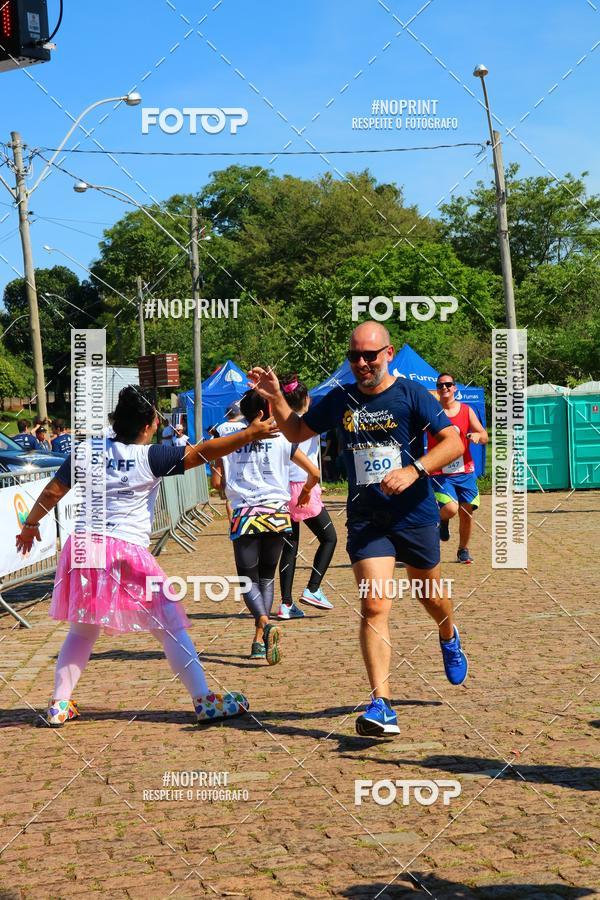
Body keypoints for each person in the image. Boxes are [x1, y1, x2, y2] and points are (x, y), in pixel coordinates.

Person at [249, 321, 469, 738]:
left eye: (370, 355)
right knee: (374, 607)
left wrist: (414, 469)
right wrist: (277, 398)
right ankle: (381, 704)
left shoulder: (412, 394)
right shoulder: (340, 398)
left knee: (430, 595)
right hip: (368, 520)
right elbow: (296, 431)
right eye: (355, 356)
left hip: (415, 514)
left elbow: (454, 442)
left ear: (388, 354)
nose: (362, 363)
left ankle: (448, 632)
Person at [15, 385, 279, 728]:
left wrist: (30, 525)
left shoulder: (86, 450)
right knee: (171, 624)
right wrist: (249, 433)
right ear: (150, 425)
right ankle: (204, 700)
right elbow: (204, 451)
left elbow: (53, 490)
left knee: (81, 631)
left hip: (82, 548)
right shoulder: (151, 457)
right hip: (124, 549)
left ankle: (58, 704)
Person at [211, 389, 320, 663]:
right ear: (265, 412)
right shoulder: (284, 439)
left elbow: (216, 480)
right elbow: (315, 472)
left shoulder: (231, 440)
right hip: (276, 514)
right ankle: (259, 637)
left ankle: (263, 622)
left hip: (245, 515)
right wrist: (306, 491)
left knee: (248, 580)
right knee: (266, 578)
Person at [276, 374, 337, 619]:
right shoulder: (310, 422)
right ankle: (313, 587)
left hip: (282, 489)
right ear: (307, 399)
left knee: (290, 548)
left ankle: (286, 604)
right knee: (329, 538)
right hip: (303, 486)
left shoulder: (279, 423)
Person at [428, 373, 488, 564]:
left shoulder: (466, 410)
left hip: (465, 470)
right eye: (440, 385)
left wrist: (478, 437)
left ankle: (463, 550)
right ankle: (441, 521)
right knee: (451, 508)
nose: (444, 388)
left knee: (467, 510)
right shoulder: (432, 412)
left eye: (448, 384)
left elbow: (484, 434)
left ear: (455, 388)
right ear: (437, 389)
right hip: (440, 472)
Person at [210, 401, 245, 522]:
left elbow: (213, 445)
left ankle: (232, 522)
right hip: (242, 464)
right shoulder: (243, 427)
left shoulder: (220, 428)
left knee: (229, 496)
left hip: (225, 464)